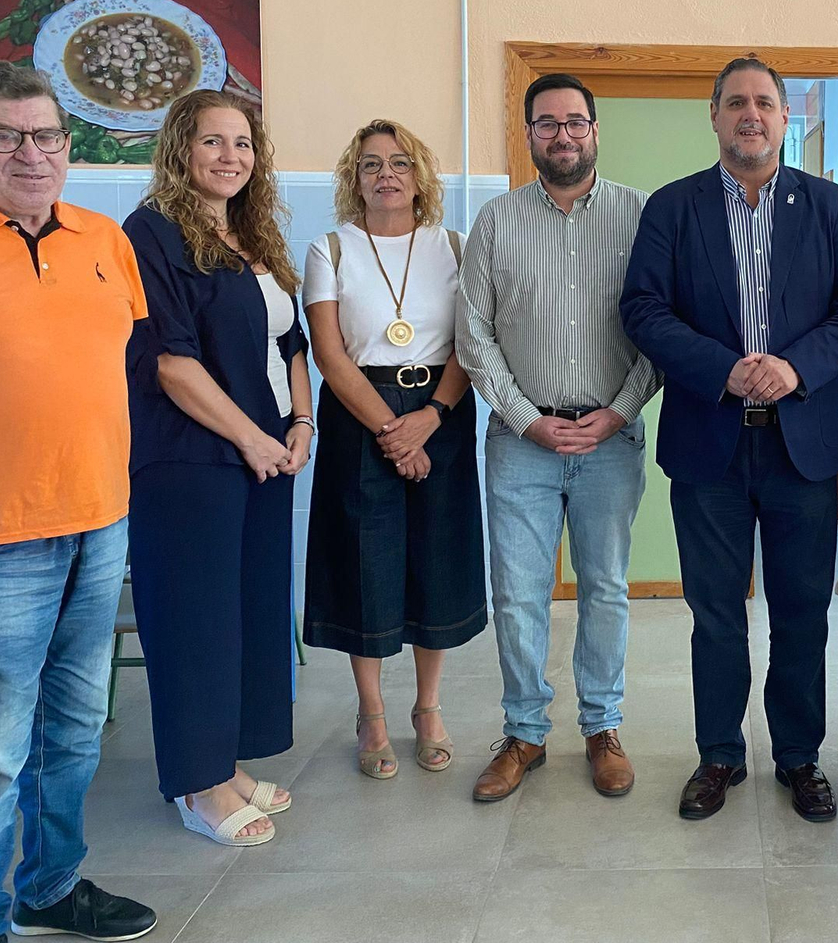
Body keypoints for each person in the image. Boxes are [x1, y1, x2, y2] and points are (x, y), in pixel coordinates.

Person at [620, 56, 838, 822]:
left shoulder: (830, 207)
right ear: (714, 116)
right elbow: (643, 309)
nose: (751, 115)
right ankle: (719, 755)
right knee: (714, 613)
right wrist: (725, 370)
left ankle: (799, 756)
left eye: (765, 103)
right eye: (736, 102)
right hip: (711, 441)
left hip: (803, 446)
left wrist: (796, 366)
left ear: (784, 117)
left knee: (803, 609)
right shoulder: (673, 208)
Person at [0, 61, 158, 943]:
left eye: (47, 136)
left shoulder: (103, 240)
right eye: (8, 135)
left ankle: (50, 885)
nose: (32, 153)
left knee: (74, 733)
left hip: (98, 520)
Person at [457, 73, 657, 801]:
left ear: (596, 131)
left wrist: (621, 411)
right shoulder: (496, 223)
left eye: (575, 122)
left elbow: (659, 330)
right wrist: (525, 418)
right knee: (518, 592)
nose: (563, 135)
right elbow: (473, 334)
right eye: (547, 124)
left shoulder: (642, 217)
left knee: (605, 589)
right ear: (529, 134)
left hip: (611, 437)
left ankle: (602, 727)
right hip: (521, 441)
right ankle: (524, 734)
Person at [122, 89, 312, 848]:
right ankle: (196, 786)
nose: (230, 156)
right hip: (192, 459)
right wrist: (253, 440)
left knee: (246, 613)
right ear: (179, 149)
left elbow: (291, 342)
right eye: (212, 141)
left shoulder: (252, 232)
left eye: (243, 142)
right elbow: (171, 362)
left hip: (265, 454)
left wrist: (299, 423)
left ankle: (224, 764)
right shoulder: (152, 234)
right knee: (195, 621)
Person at [303, 119, 485, 779]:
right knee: (366, 561)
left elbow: (473, 342)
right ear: (355, 178)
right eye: (372, 163)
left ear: (421, 178)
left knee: (436, 557)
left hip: (443, 408)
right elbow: (329, 353)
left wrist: (431, 418)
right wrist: (392, 430)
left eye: (400, 163)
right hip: (363, 414)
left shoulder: (456, 247)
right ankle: (372, 713)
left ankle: (428, 708)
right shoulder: (332, 249)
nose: (387, 174)